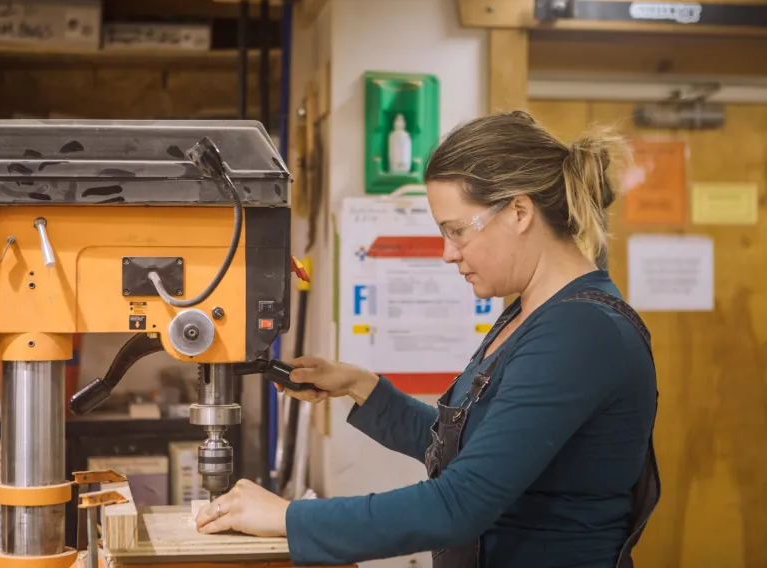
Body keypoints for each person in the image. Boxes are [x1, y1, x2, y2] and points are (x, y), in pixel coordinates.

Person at [195, 110, 660, 568]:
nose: (447, 253)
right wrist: (363, 387)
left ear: (519, 212)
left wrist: (290, 518)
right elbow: (469, 450)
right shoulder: (528, 314)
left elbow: (458, 505)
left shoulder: (581, 332)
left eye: (456, 231)